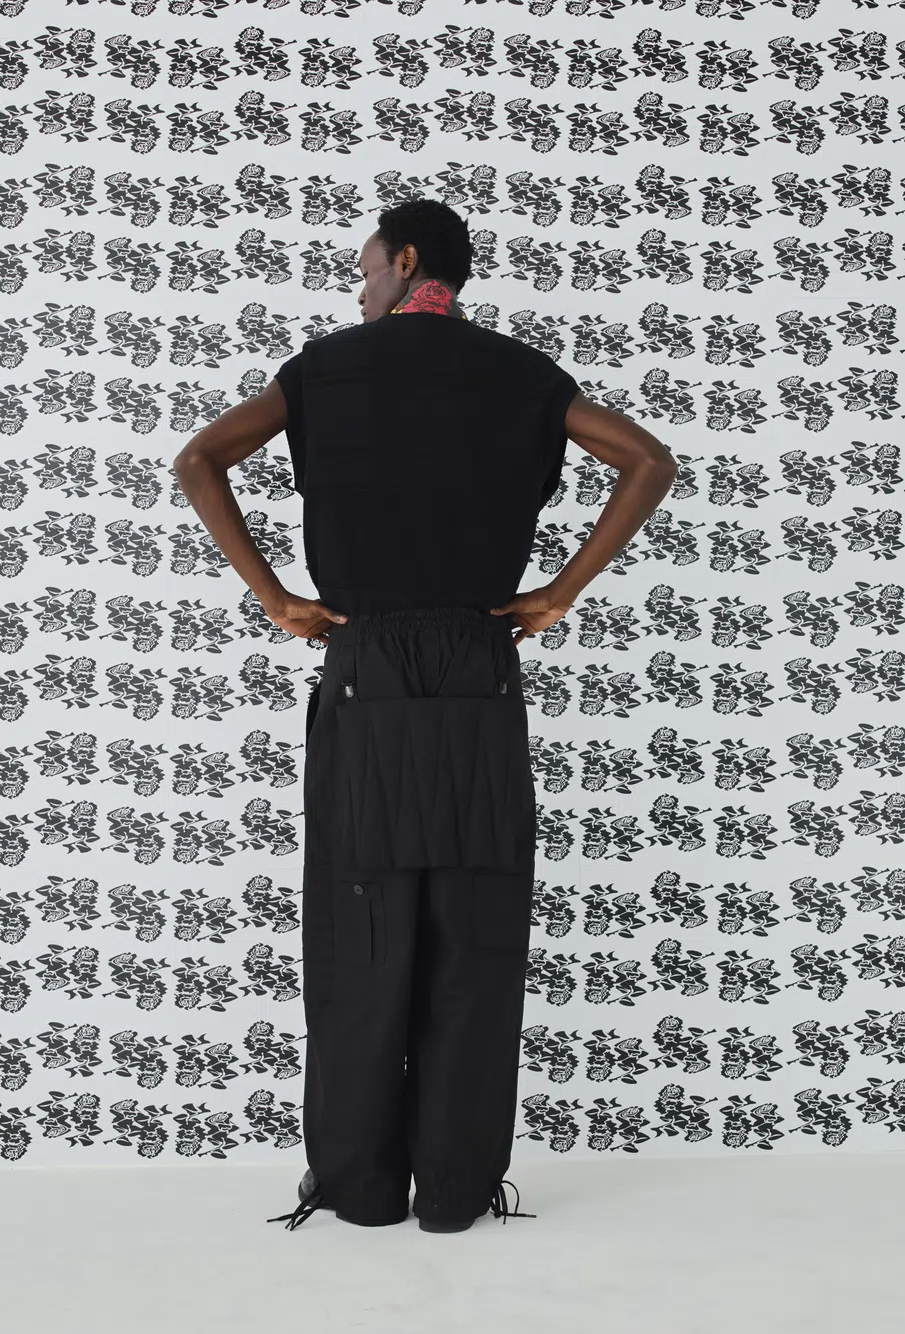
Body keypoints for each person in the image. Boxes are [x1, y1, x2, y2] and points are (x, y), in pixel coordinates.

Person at [172, 198, 678, 1234]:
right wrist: (559, 592)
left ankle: (360, 1187)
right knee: (476, 931)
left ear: (406, 261)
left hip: (364, 665)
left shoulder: (324, 370)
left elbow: (198, 459)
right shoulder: (522, 375)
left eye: (365, 269)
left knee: (358, 924)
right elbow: (647, 460)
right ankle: (453, 1191)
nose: (359, 290)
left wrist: (275, 598)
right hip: (478, 666)